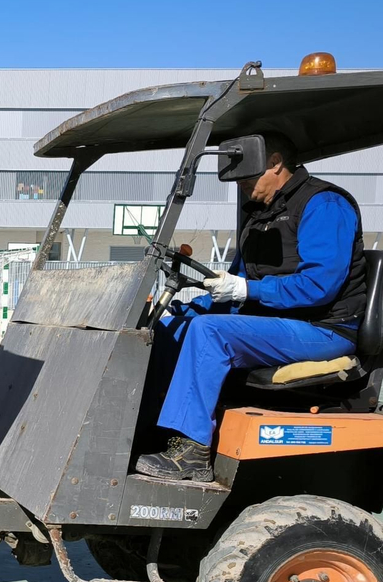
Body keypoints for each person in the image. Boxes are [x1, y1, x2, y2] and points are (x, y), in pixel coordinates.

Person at [136, 133, 368, 482]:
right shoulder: (260, 216)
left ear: (275, 163)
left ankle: (193, 453)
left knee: (210, 332)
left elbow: (319, 286)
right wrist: (186, 309)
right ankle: (147, 432)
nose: (240, 184)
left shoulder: (324, 205)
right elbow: (238, 285)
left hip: (324, 328)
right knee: (169, 328)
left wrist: (246, 289)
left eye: (247, 176)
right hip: (277, 323)